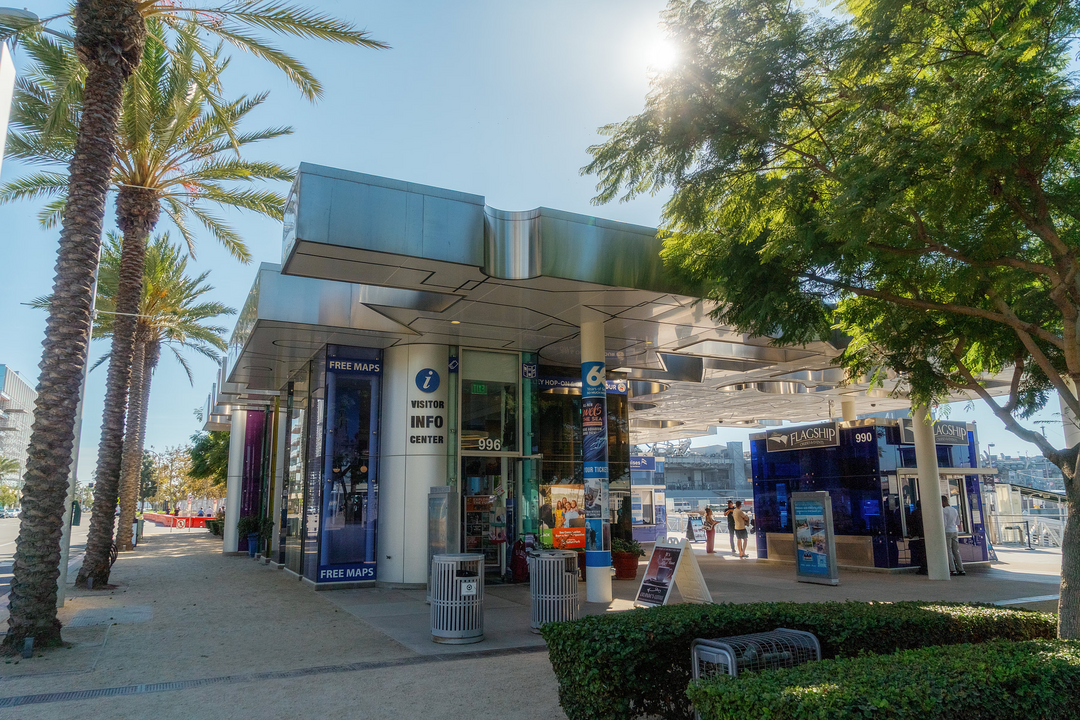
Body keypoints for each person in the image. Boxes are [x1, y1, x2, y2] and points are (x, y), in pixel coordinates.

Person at [941, 495, 966, 576]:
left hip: (947, 531)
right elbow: (958, 522)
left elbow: (944, 523)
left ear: (943, 502)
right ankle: (961, 569)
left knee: (949, 550)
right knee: (956, 550)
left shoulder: (944, 510)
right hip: (954, 531)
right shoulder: (954, 510)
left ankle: (952, 569)